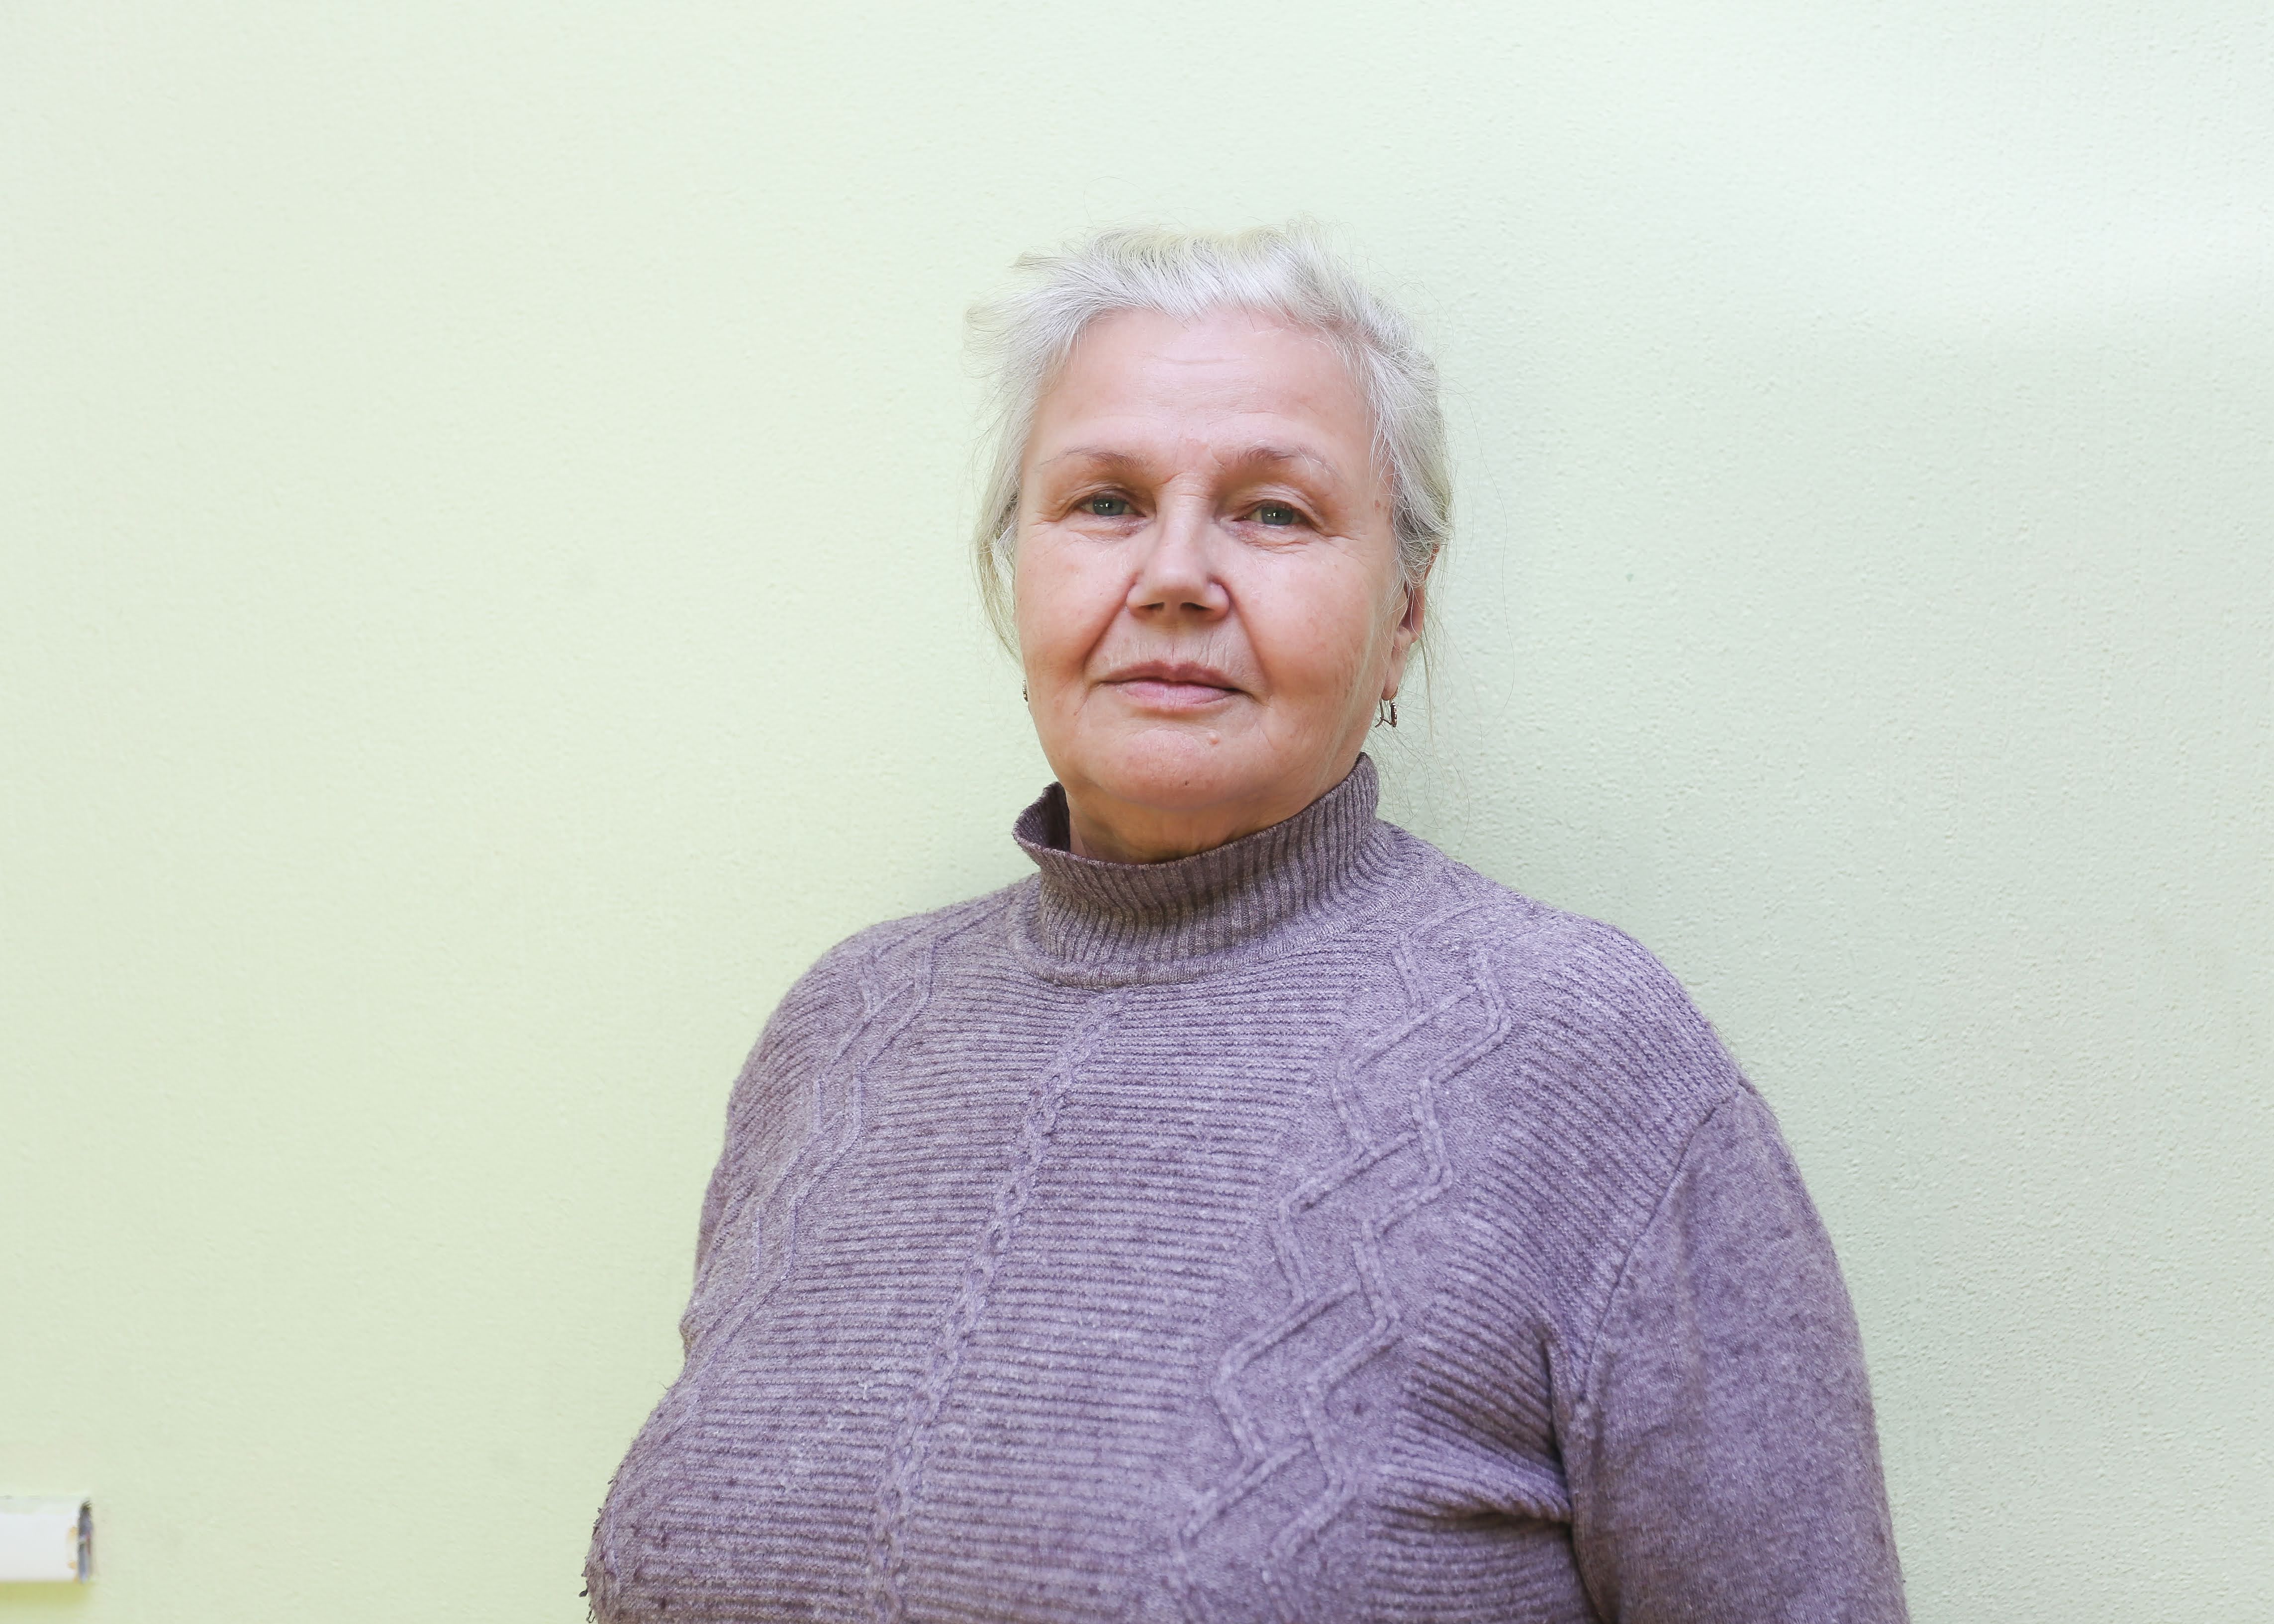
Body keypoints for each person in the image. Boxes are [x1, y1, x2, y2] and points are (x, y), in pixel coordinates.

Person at [586, 224, 1906, 1623]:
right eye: (1104, 501)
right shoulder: (844, 1031)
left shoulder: (1580, 1055)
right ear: (1017, 570)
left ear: (1404, 613)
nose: (1174, 574)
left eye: (1273, 513)